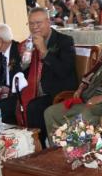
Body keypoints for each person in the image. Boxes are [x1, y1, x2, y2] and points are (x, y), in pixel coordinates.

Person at [19, 8, 77, 145]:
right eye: (31, 24)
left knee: (33, 107)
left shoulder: (64, 41)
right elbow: (22, 72)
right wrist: (24, 60)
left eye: (38, 23)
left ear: (48, 22)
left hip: (57, 92)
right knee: (10, 104)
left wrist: (44, 51)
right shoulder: (29, 43)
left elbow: (64, 71)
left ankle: (40, 147)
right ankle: (20, 146)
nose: (35, 27)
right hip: (33, 90)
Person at [0, 24, 22, 124]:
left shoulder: (19, 51)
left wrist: (6, 90)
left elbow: (25, 79)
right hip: (3, 95)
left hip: (17, 95)